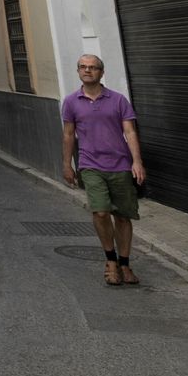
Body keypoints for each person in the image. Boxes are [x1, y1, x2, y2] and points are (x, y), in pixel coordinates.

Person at [61, 54, 146, 286]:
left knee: (122, 216)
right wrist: (67, 164)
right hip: (90, 165)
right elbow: (69, 134)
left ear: (101, 72)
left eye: (93, 67)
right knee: (100, 212)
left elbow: (130, 132)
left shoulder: (118, 100)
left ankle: (125, 263)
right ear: (78, 71)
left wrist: (137, 161)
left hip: (120, 165)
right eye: (83, 67)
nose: (87, 71)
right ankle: (110, 261)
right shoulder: (71, 102)